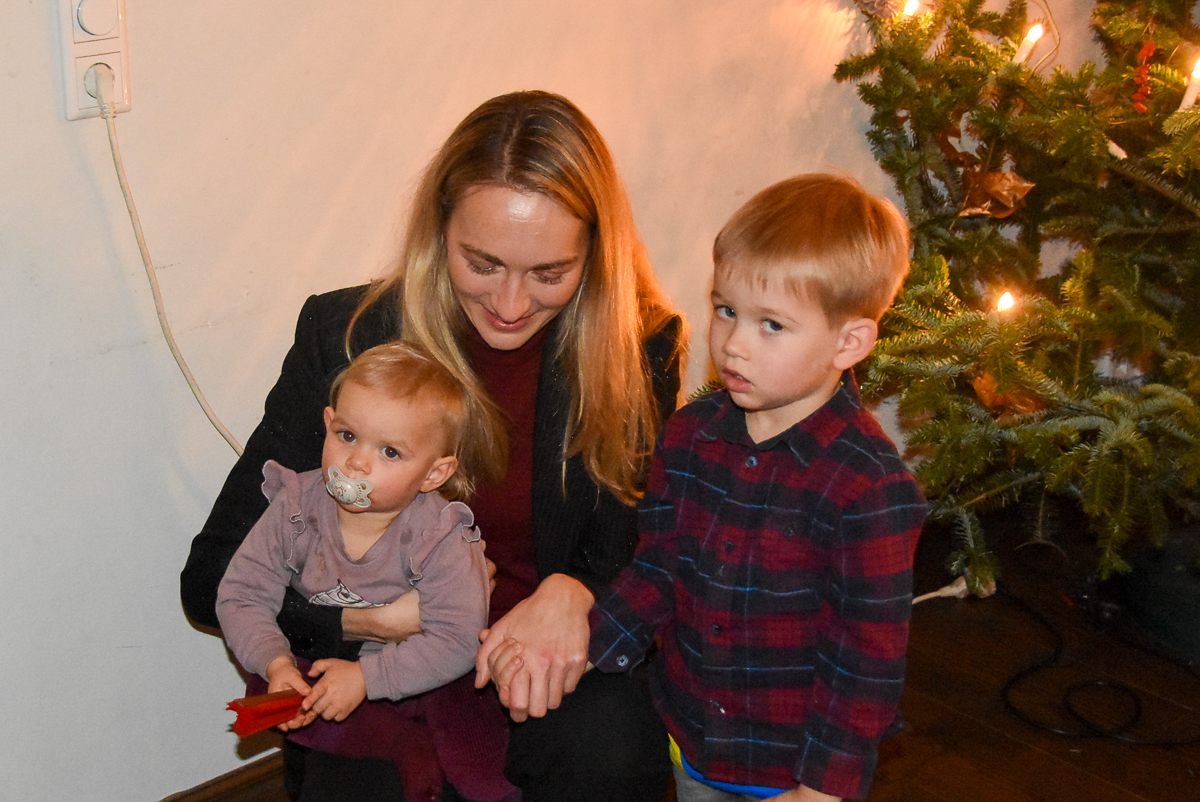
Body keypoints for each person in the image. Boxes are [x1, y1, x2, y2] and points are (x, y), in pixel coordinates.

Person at [180, 90, 686, 802]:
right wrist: (368, 621)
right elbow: (211, 577)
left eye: (549, 274)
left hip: (532, 651)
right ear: (439, 229)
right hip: (368, 666)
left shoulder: (638, 347)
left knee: (613, 752)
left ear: (597, 257)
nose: (511, 305)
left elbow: (637, 535)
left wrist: (575, 591)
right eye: (482, 264)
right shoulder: (347, 336)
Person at [584, 174, 927, 800]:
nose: (734, 345)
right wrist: (586, 645)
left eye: (771, 325)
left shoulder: (869, 487)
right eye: (726, 310)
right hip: (691, 737)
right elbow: (657, 569)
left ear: (849, 342)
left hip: (790, 770)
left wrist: (822, 788)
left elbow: (864, 662)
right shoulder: (690, 434)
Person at [215, 340, 508, 800]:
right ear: (328, 423)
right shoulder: (296, 509)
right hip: (319, 664)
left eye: (390, 452)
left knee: (467, 732)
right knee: (294, 711)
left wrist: (368, 679)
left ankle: (417, 752)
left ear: (434, 474)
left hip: (415, 672)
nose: (356, 462)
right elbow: (241, 594)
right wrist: (276, 662)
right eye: (348, 436)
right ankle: (386, 745)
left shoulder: (440, 536)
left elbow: (457, 639)